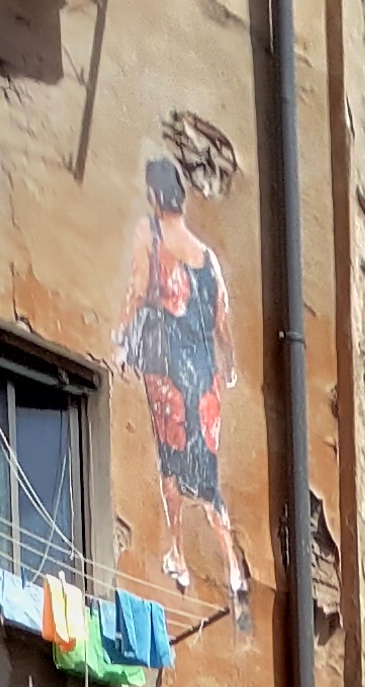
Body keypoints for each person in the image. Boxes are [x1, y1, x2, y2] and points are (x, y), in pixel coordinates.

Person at [115, 157, 248, 625]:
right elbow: (222, 320)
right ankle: (232, 568)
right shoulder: (207, 257)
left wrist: (122, 338)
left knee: (170, 466)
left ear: (154, 196)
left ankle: (179, 556)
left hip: (167, 368)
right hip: (204, 376)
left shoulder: (149, 235)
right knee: (207, 474)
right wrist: (227, 368)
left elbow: (137, 289)